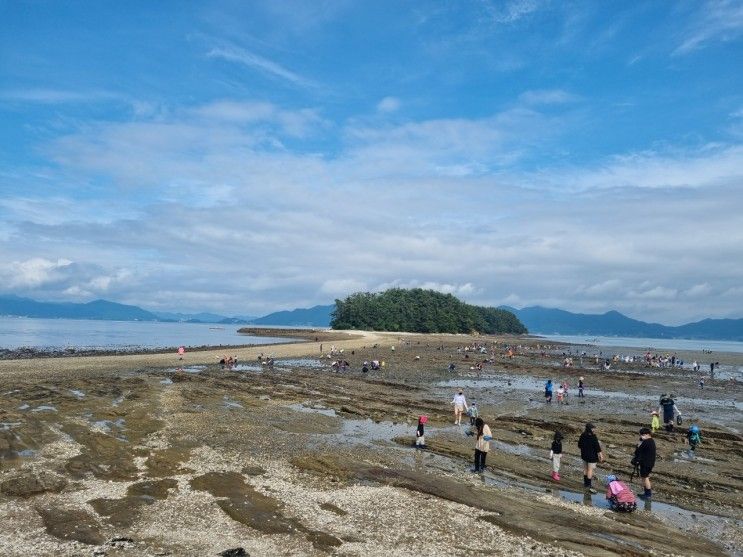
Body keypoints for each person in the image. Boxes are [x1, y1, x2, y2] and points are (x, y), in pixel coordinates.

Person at [578, 423, 604, 493]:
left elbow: (579, 445)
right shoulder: (593, 436)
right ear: (590, 429)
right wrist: (601, 455)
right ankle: (588, 485)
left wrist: (585, 448)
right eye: (593, 428)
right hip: (592, 456)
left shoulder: (583, 435)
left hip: (584, 455)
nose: (594, 429)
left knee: (585, 469)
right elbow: (597, 447)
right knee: (590, 470)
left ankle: (585, 483)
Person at [632, 427, 656, 499]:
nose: (641, 436)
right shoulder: (651, 441)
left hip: (646, 463)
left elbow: (637, 451)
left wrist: (639, 444)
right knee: (645, 477)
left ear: (647, 434)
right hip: (649, 462)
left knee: (645, 478)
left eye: (642, 435)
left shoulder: (646, 442)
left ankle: (648, 494)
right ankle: (646, 492)